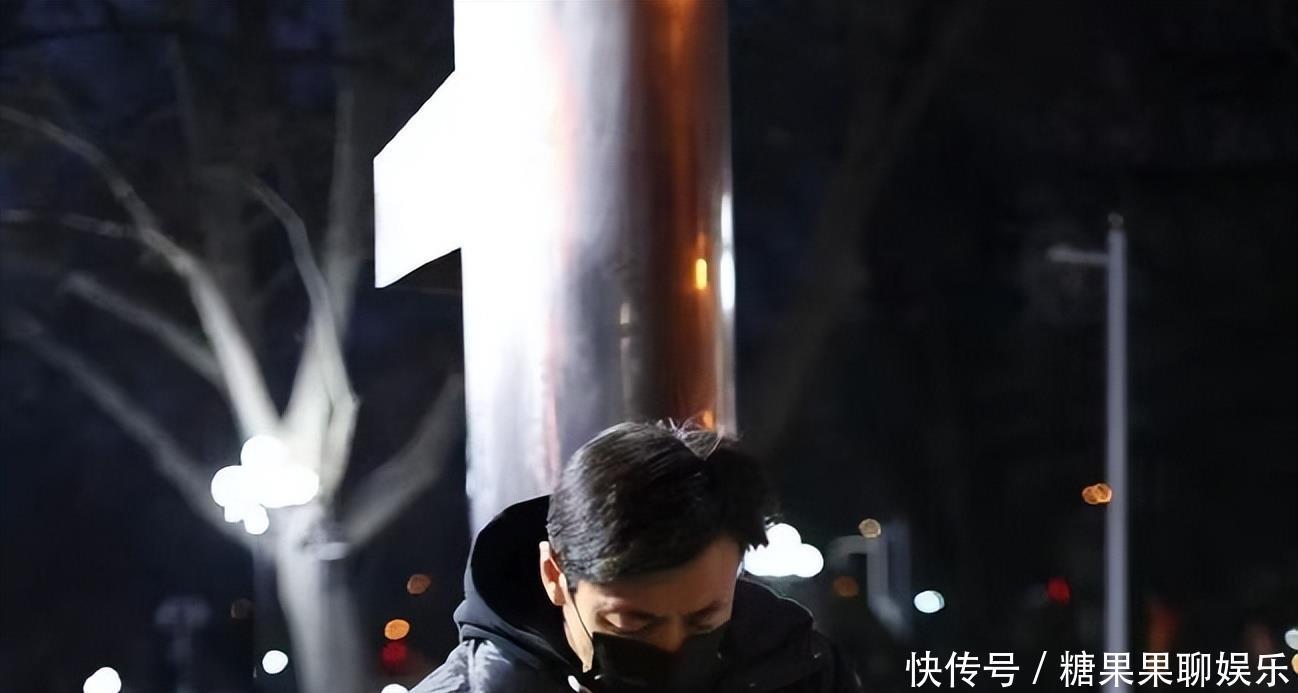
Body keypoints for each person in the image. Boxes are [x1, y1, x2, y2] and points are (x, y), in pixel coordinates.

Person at [412, 421, 863, 692]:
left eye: (704, 620)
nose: (673, 648)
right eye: (632, 623)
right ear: (554, 575)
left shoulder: (800, 673)